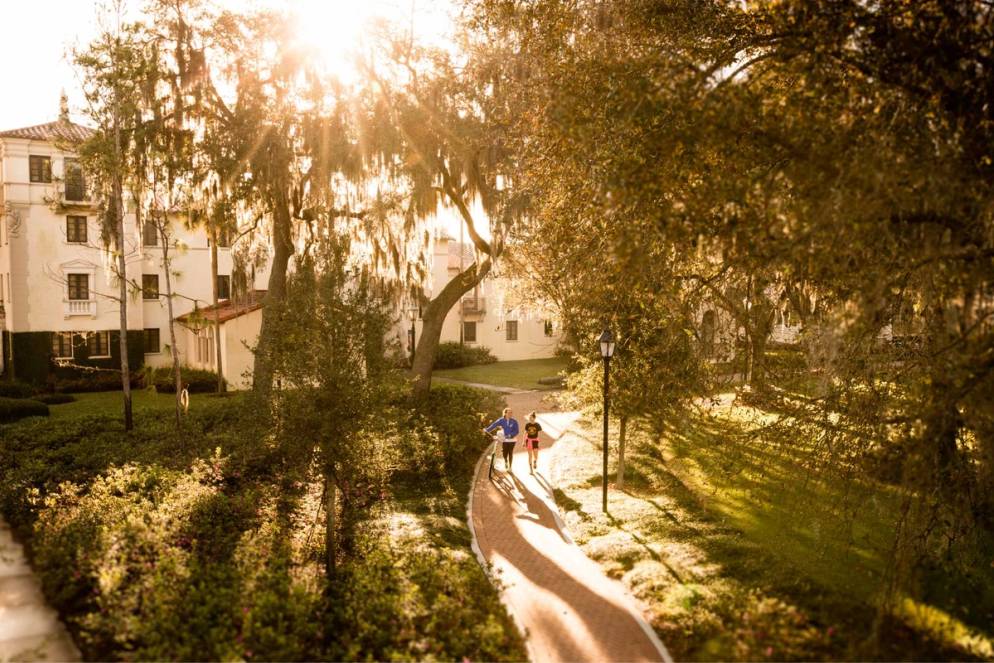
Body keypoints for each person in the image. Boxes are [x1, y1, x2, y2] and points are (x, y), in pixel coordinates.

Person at [484, 407, 520, 472]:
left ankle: (510, 467)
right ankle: (506, 461)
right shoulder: (501, 420)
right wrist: (487, 430)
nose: (511, 414)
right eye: (509, 412)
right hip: (505, 439)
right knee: (505, 453)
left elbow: (517, 431)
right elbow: (494, 425)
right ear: (505, 413)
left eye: (511, 412)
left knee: (510, 452)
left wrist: (511, 435)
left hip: (512, 439)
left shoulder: (514, 421)